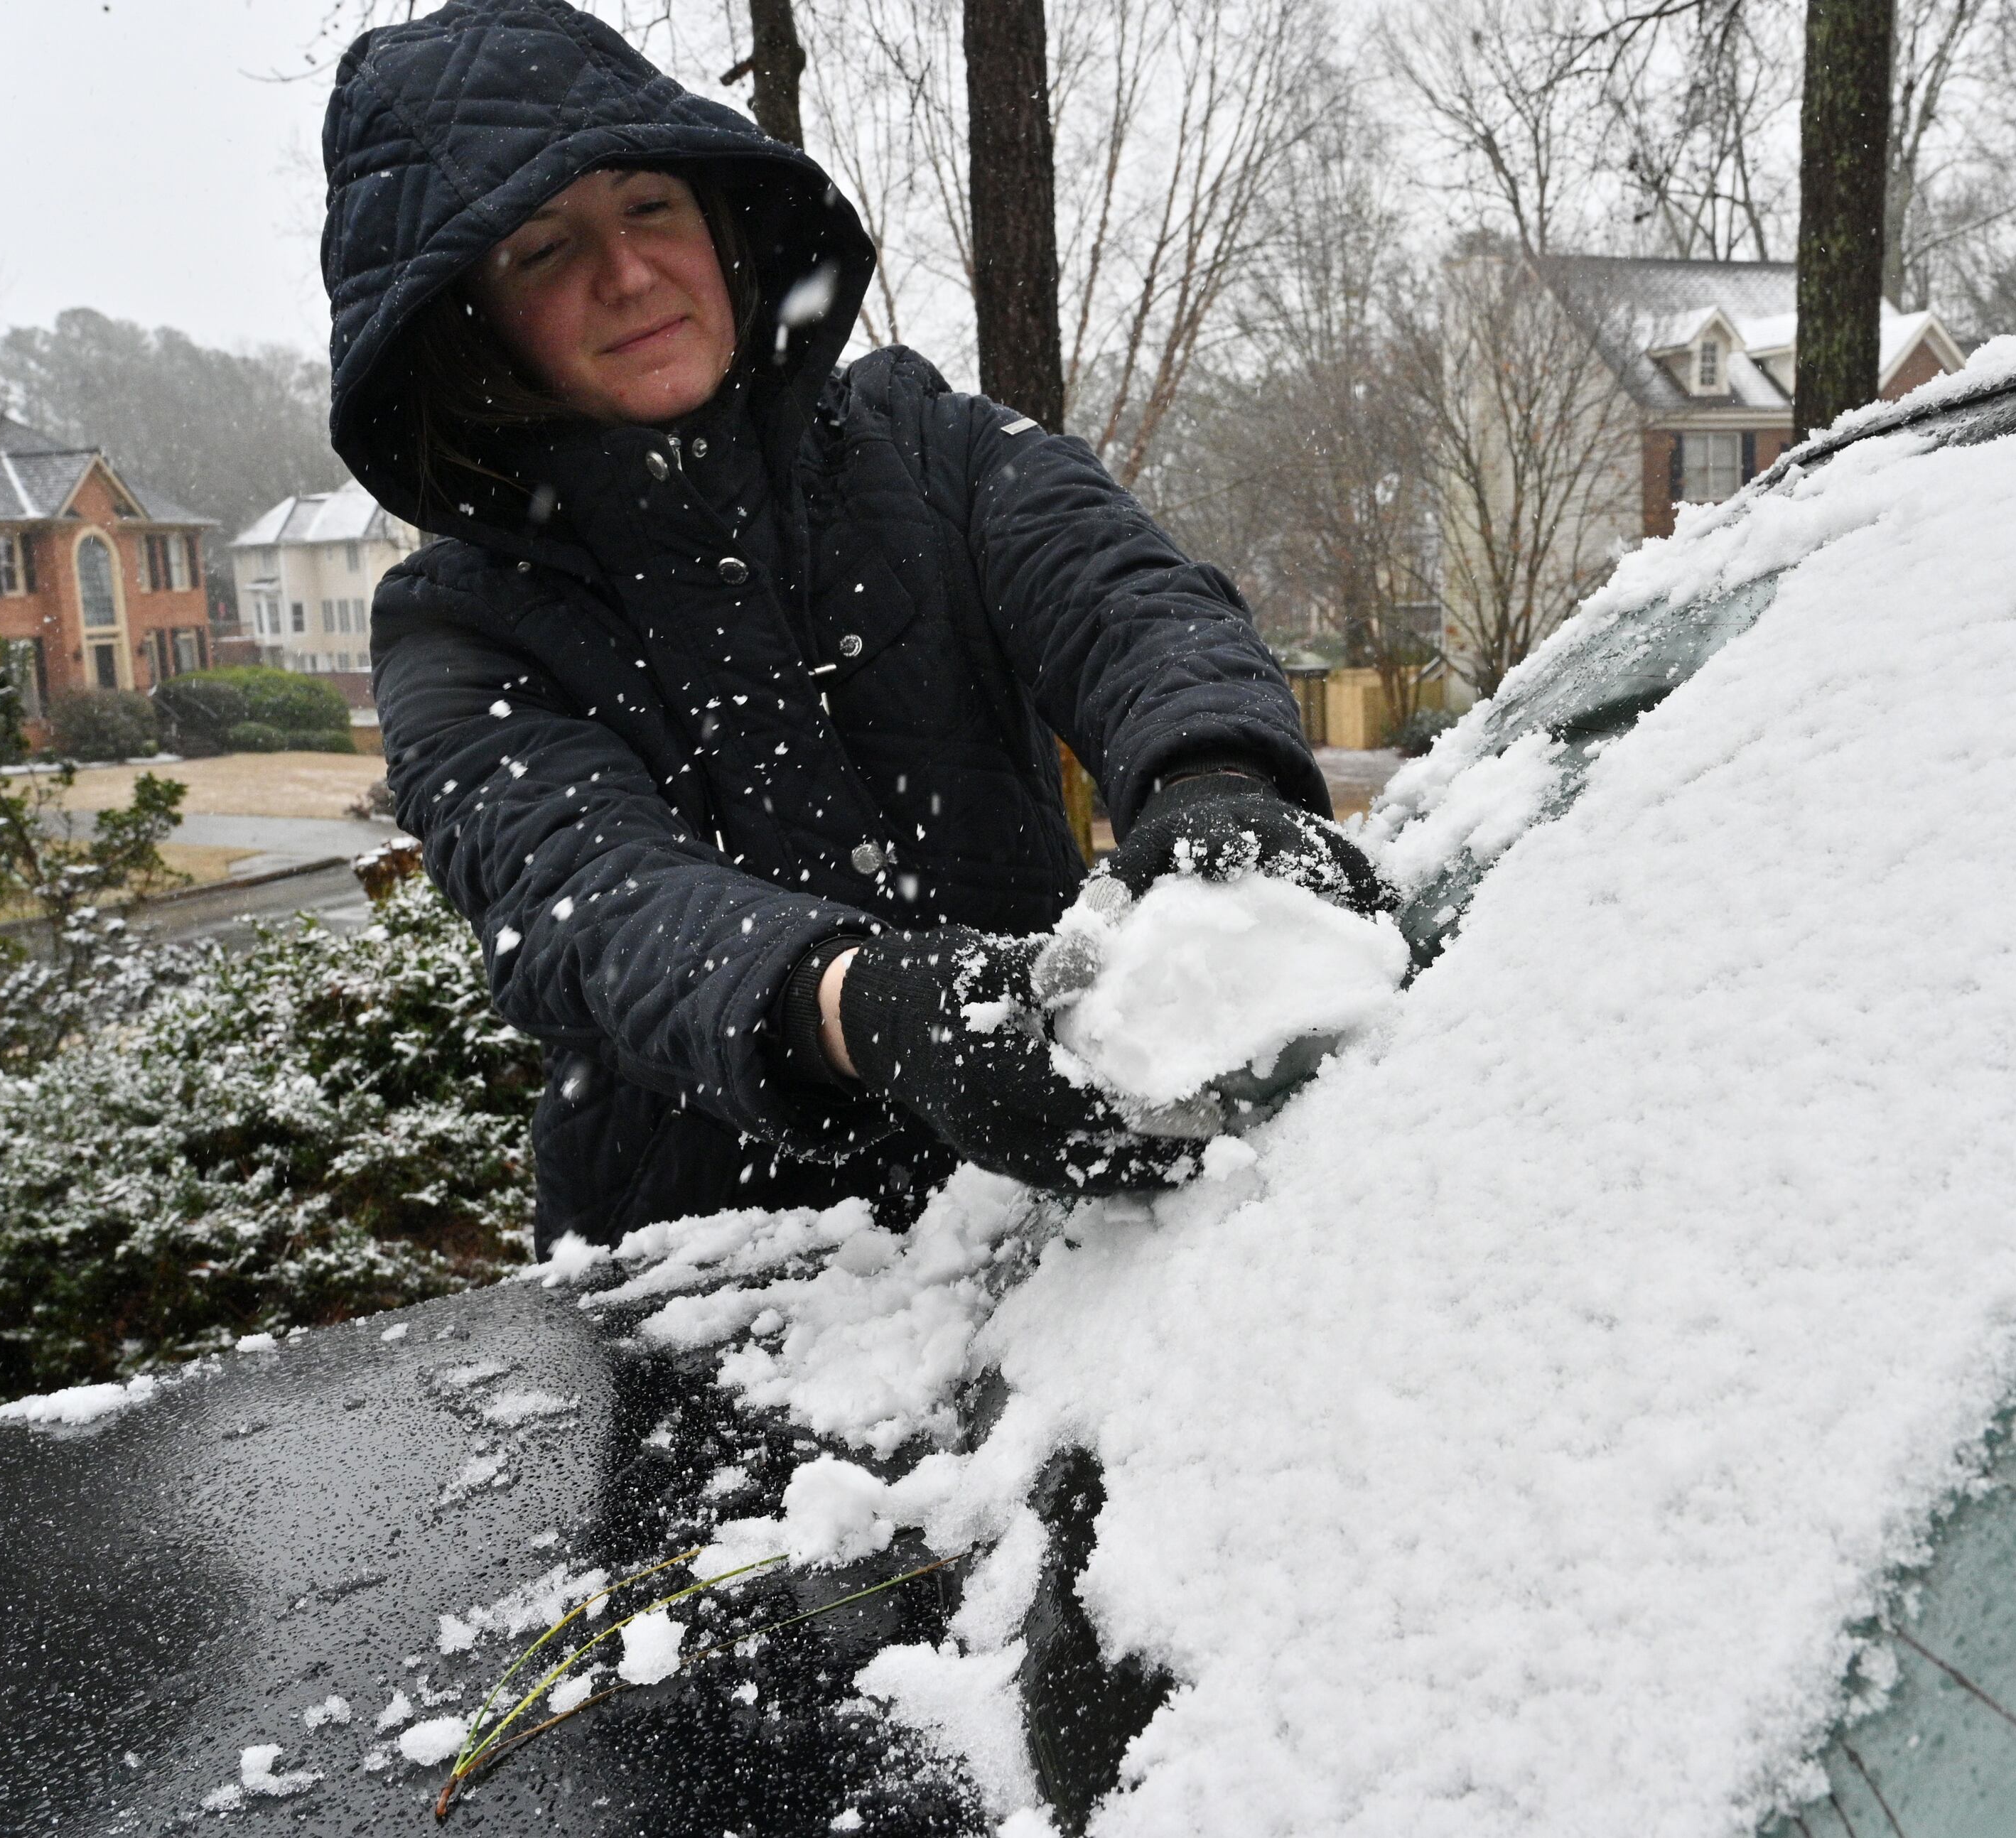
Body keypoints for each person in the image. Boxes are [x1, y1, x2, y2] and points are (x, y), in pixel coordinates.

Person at [323, 0, 1383, 1253]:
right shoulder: (458, 629)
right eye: (545, 250)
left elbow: (1126, 596)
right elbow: (587, 900)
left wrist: (1214, 780)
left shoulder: (927, 443)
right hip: (712, 1289)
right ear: (472, 323)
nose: (626, 272)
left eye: (649, 208)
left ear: (719, 227)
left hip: (1066, 1229)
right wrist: (865, 1009)